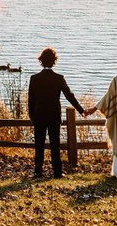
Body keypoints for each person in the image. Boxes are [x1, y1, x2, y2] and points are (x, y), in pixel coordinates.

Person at [27, 46, 85, 178]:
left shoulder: (34, 78)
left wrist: (32, 115)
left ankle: (38, 171)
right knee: (55, 144)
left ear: (41, 61)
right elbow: (69, 96)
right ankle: (57, 172)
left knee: (39, 144)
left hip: (39, 115)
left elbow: (31, 99)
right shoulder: (59, 78)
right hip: (53, 116)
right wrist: (81, 110)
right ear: (54, 61)